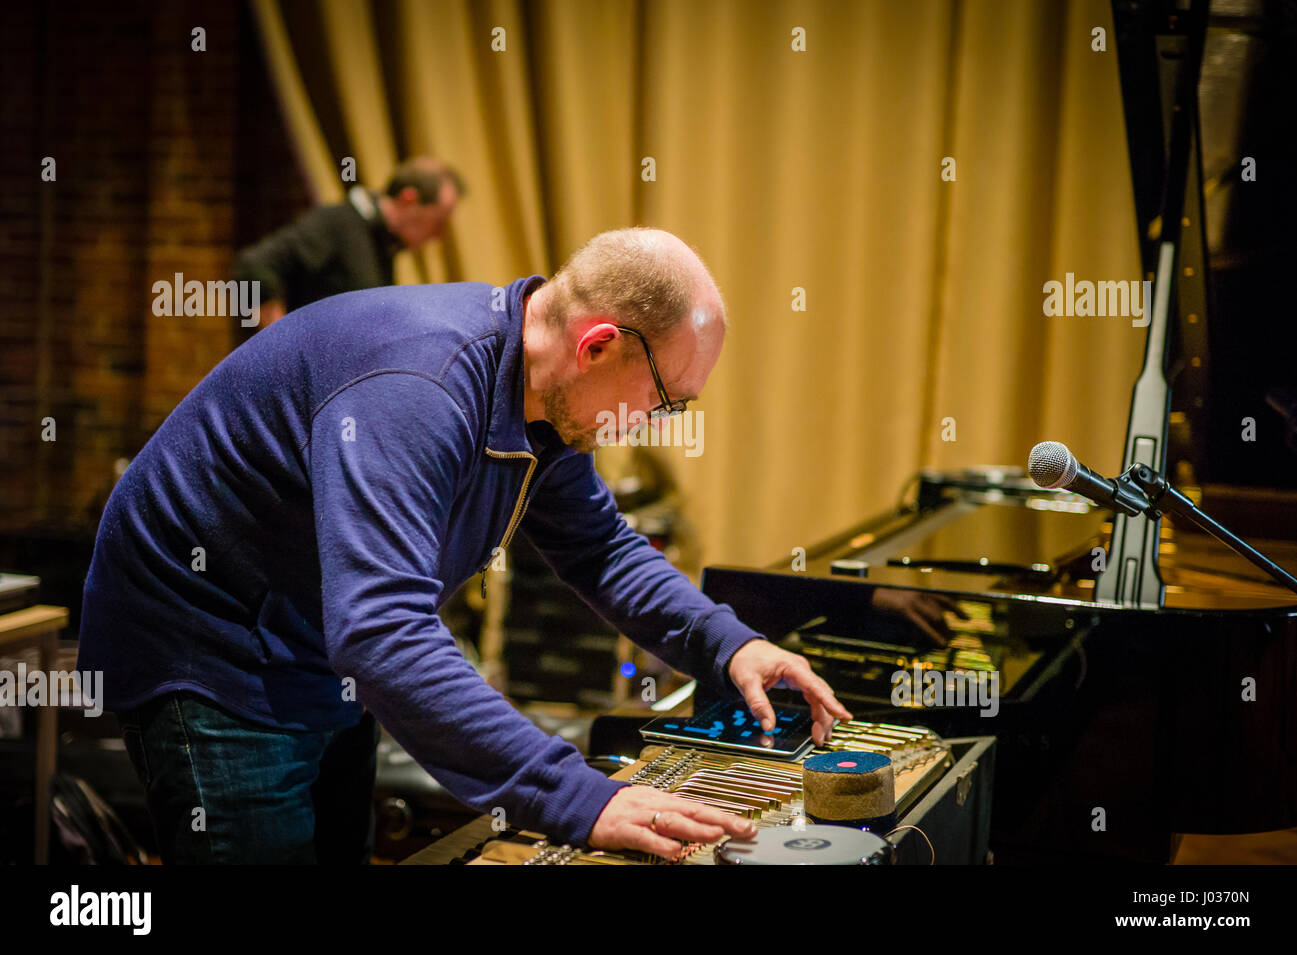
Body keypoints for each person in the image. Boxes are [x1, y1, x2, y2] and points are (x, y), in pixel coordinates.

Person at [78, 227, 853, 863]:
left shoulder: (538, 395)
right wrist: (583, 796)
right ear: (599, 346)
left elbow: (600, 550)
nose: (656, 423)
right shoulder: (420, 388)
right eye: (663, 399)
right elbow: (381, 632)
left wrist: (729, 646)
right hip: (206, 644)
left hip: (307, 634)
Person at [233, 156, 464, 327]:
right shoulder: (339, 223)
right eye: (438, 221)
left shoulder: (384, 245)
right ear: (408, 200)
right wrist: (280, 343)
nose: (438, 235)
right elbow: (254, 266)